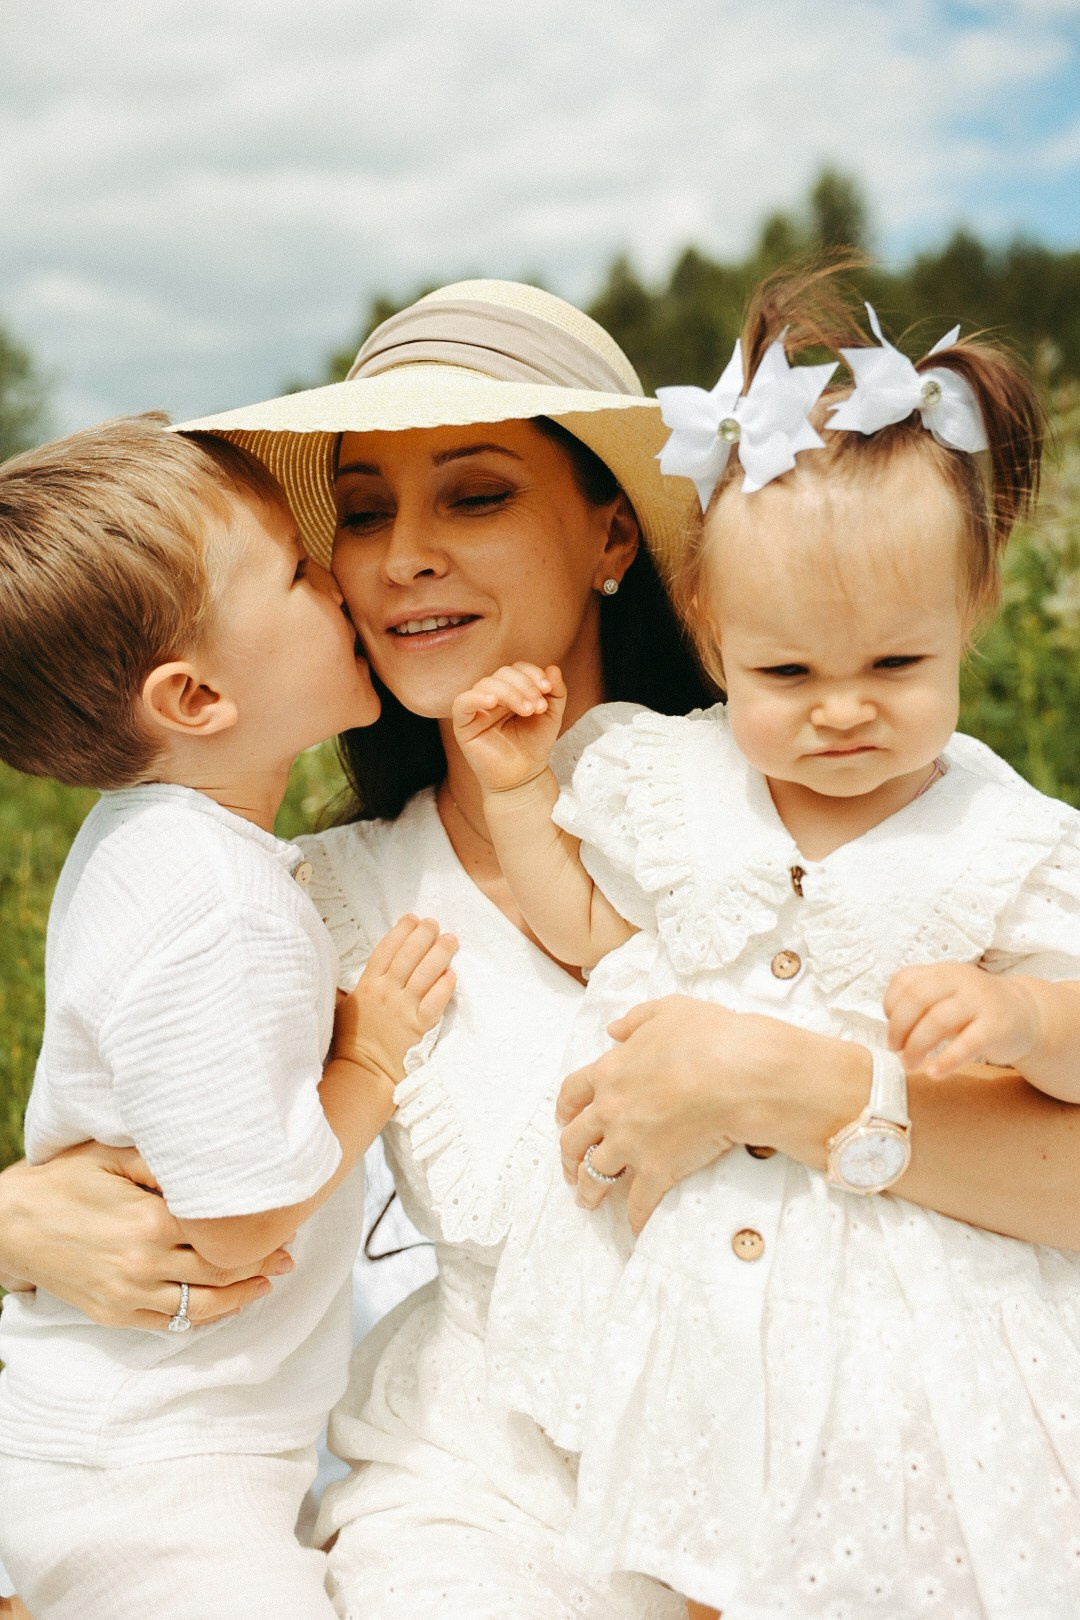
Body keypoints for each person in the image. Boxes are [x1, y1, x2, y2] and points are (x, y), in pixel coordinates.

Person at [2, 281, 1080, 1617]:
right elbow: (176, 1148)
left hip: (842, 1482)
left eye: (475, 495)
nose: (401, 555)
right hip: (481, 1500)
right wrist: (11, 1223)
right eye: (360, 510)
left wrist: (783, 1086)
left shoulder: (844, 803)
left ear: (613, 531)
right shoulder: (311, 904)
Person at [453, 277, 1080, 1619]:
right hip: (693, 1297)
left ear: (973, 612)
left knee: (900, 1536)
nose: (842, 714)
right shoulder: (670, 786)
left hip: (907, 1294)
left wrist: (1023, 1021)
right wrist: (514, 793)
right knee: (696, 1546)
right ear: (713, 635)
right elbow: (593, 935)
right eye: (786, 677)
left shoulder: (1011, 840)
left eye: (896, 667)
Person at [0, 418, 455, 1619]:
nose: (340, 578)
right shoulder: (221, 908)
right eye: (302, 572)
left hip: (135, 1436)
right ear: (196, 696)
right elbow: (244, 1220)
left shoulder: (158, 849)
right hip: (156, 1472)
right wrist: (368, 1056)